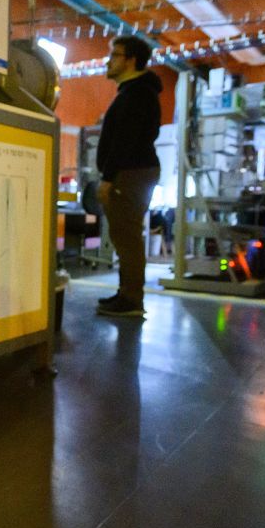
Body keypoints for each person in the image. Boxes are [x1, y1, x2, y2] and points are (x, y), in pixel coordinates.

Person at [95, 36, 162, 317]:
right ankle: (127, 294)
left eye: (115, 55)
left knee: (127, 238)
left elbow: (125, 140)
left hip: (130, 174)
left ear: (131, 60)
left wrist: (109, 179)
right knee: (125, 237)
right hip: (135, 172)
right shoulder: (136, 92)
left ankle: (132, 299)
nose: (109, 61)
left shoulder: (136, 94)